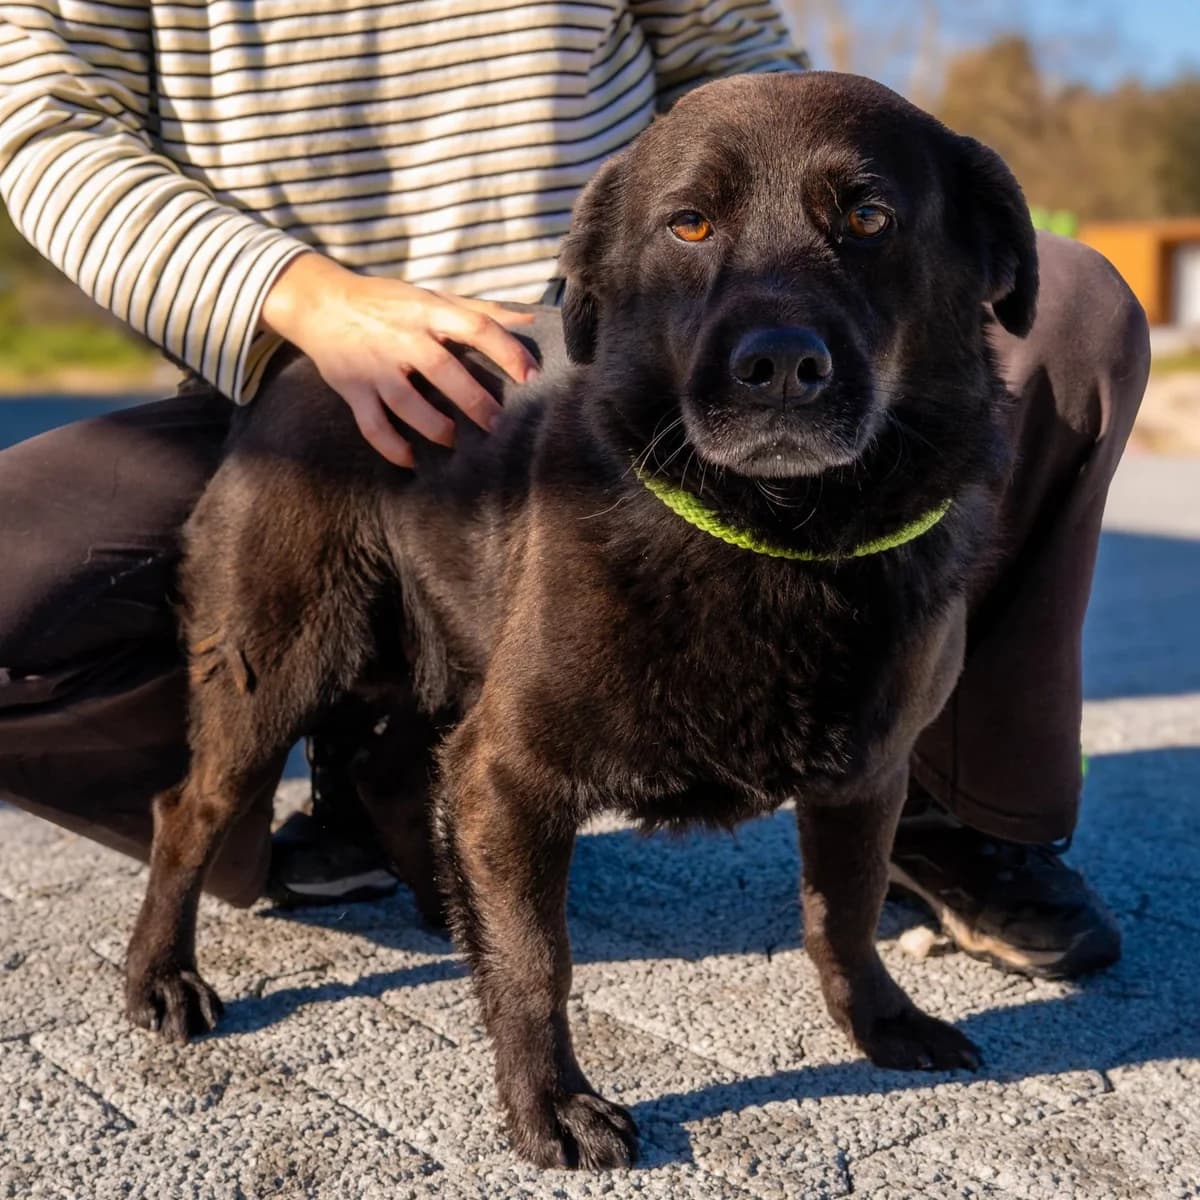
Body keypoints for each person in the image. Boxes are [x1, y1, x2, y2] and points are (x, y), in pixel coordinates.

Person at [0, 3, 1148, 978]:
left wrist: (766, 240)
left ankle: (941, 802)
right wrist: (299, 296)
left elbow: (729, 58)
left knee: (1077, 310)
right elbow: (46, 124)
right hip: (285, 366)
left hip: (614, 350)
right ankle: (368, 761)